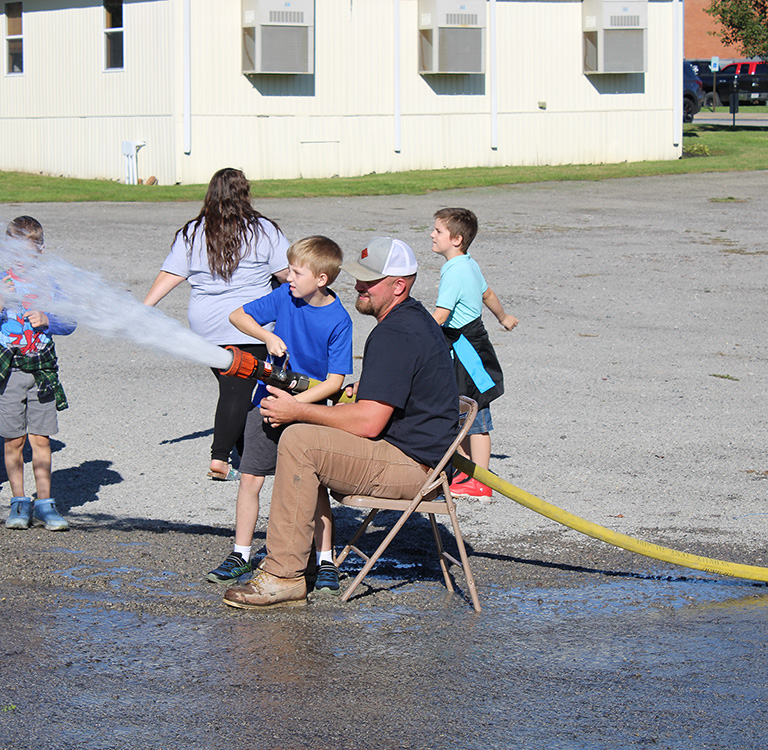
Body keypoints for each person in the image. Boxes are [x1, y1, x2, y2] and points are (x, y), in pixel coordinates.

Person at [222, 236, 459, 609]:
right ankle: (310, 560)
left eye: (369, 281)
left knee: (301, 441)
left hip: (415, 467)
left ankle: (284, 575)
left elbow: (367, 422)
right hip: (413, 454)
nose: (357, 286)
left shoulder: (395, 332)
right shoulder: (411, 321)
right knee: (306, 437)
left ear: (399, 286)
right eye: (358, 276)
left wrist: (298, 410)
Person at [206, 236, 353, 593]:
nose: (288, 276)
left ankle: (325, 560)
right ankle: (240, 554)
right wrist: (265, 337)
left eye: (296, 272)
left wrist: (299, 408)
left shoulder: (339, 320)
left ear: (321, 279)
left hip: (310, 411)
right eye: (289, 269)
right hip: (267, 400)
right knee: (251, 479)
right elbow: (237, 316)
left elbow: (335, 381)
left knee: (315, 487)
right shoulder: (285, 296)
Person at [143, 168, 289, 480]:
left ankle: (242, 457)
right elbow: (286, 275)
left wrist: (145, 306)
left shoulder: (193, 231)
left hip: (205, 328)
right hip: (249, 324)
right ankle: (220, 458)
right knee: (237, 390)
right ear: (245, 193)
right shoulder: (263, 230)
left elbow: (172, 273)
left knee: (234, 385)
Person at [430, 207, 518, 500]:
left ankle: (481, 481)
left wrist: (415, 335)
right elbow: (487, 294)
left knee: (475, 410)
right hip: (469, 342)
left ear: (456, 239)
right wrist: (503, 318)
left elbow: (441, 316)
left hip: (466, 348)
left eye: (438, 231)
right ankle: (466, 474)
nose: (432, 234)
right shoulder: (468, 264)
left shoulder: (454, 272)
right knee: (460, 407)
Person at [1, 216, 76, 531]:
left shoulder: (50, 282)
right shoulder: (2, 281)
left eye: (29, 251)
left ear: (41, 249)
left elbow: (70, 322)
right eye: (15, 251)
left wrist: (48, 319)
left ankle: (45, 504)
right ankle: (19, 502)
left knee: (41, 439)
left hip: (42, 368)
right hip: (9, 370)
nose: (22, 259)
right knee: (13, 441)